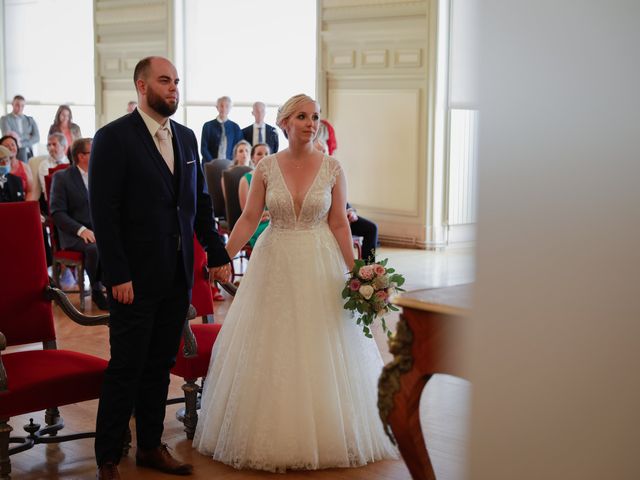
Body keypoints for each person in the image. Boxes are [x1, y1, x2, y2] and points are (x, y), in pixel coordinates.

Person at [193, 94, 397, 471]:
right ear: (284, 123)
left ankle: (328, 428)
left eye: (315, 116)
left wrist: (357, 273)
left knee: (321, 343)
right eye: (302, 116)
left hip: (320, 261)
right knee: (273, 342)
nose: (310, 122)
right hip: (275, 259)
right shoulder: (267, 167)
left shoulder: (333, 167)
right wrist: (219, 256)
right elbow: (250, 217)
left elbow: (338, 222)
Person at [89, 56, 232, 480]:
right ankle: (108, 457)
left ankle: (151, 445)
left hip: (177, 274)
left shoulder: (187, 139)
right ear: (141, 86)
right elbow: (104, 212)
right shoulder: (113, 138)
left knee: (157, 365)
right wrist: (117, 274)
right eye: (165, 81)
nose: (173, 88)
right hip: (132, 277)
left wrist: (217, 251)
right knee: (126, 366)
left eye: (177, 82)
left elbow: (198, 205)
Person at [49, 138, 108, 310]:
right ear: (81, 156)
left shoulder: (100, 176)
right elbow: (57, 212)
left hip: (99, 230)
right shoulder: (62, 177)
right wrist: (81, 230)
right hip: (73, 233)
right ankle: (97, 289)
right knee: (94, 248)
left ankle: (115, 286)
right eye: (93, 151)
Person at [315, 120, 379, 261]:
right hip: (324, 219)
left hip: (342, 215)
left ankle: (368, 270)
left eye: (325, 151)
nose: (324, 155)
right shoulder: (310, 173)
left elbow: (341, 197)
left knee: (371, 228)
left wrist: (350, 211)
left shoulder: (332, 170)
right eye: (319, 152)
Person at [238, 143, 270, 247]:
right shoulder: (245, 180)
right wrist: (269, 214)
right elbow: (247, 214)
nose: (264, 157)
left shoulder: (276, 178)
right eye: (259, 154)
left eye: (266, 154)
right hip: (256, 226)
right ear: (252, 158)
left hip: (274, 221)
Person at [200, 96, 243, 162]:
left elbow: (239, 147)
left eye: (227, 106)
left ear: (230, 108)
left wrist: (232, 163)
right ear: (217, 107)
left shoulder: (235, 127)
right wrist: (212, 163)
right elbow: (203, 148)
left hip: (229, 165)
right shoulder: (208, 126)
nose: (224, 108)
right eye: (221, 106)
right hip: (209, 164)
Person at [0, 95, 40, 162]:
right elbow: (9, 137)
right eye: (17, 105)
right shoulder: (5, 119)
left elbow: (37, 138)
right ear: (12, 104)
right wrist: (28, 136)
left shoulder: (30, 119)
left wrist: (21, 143)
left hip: (29, 153)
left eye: (22, 106)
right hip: (13, 153)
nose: (20, 108)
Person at [0, 134, 36, 201]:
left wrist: (25, 207)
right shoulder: (2, 170)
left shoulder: (25, 167)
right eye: (6, 146)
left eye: (13, 145)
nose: (10, 148)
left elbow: (30, 191)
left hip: (21, 203)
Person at [37, 133, 69, 200]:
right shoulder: (44, 165)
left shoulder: (70, 162)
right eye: (49, 145)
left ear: (64, 147)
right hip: (52, 198)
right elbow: (47, 187)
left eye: (54, 144)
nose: (50, 148)